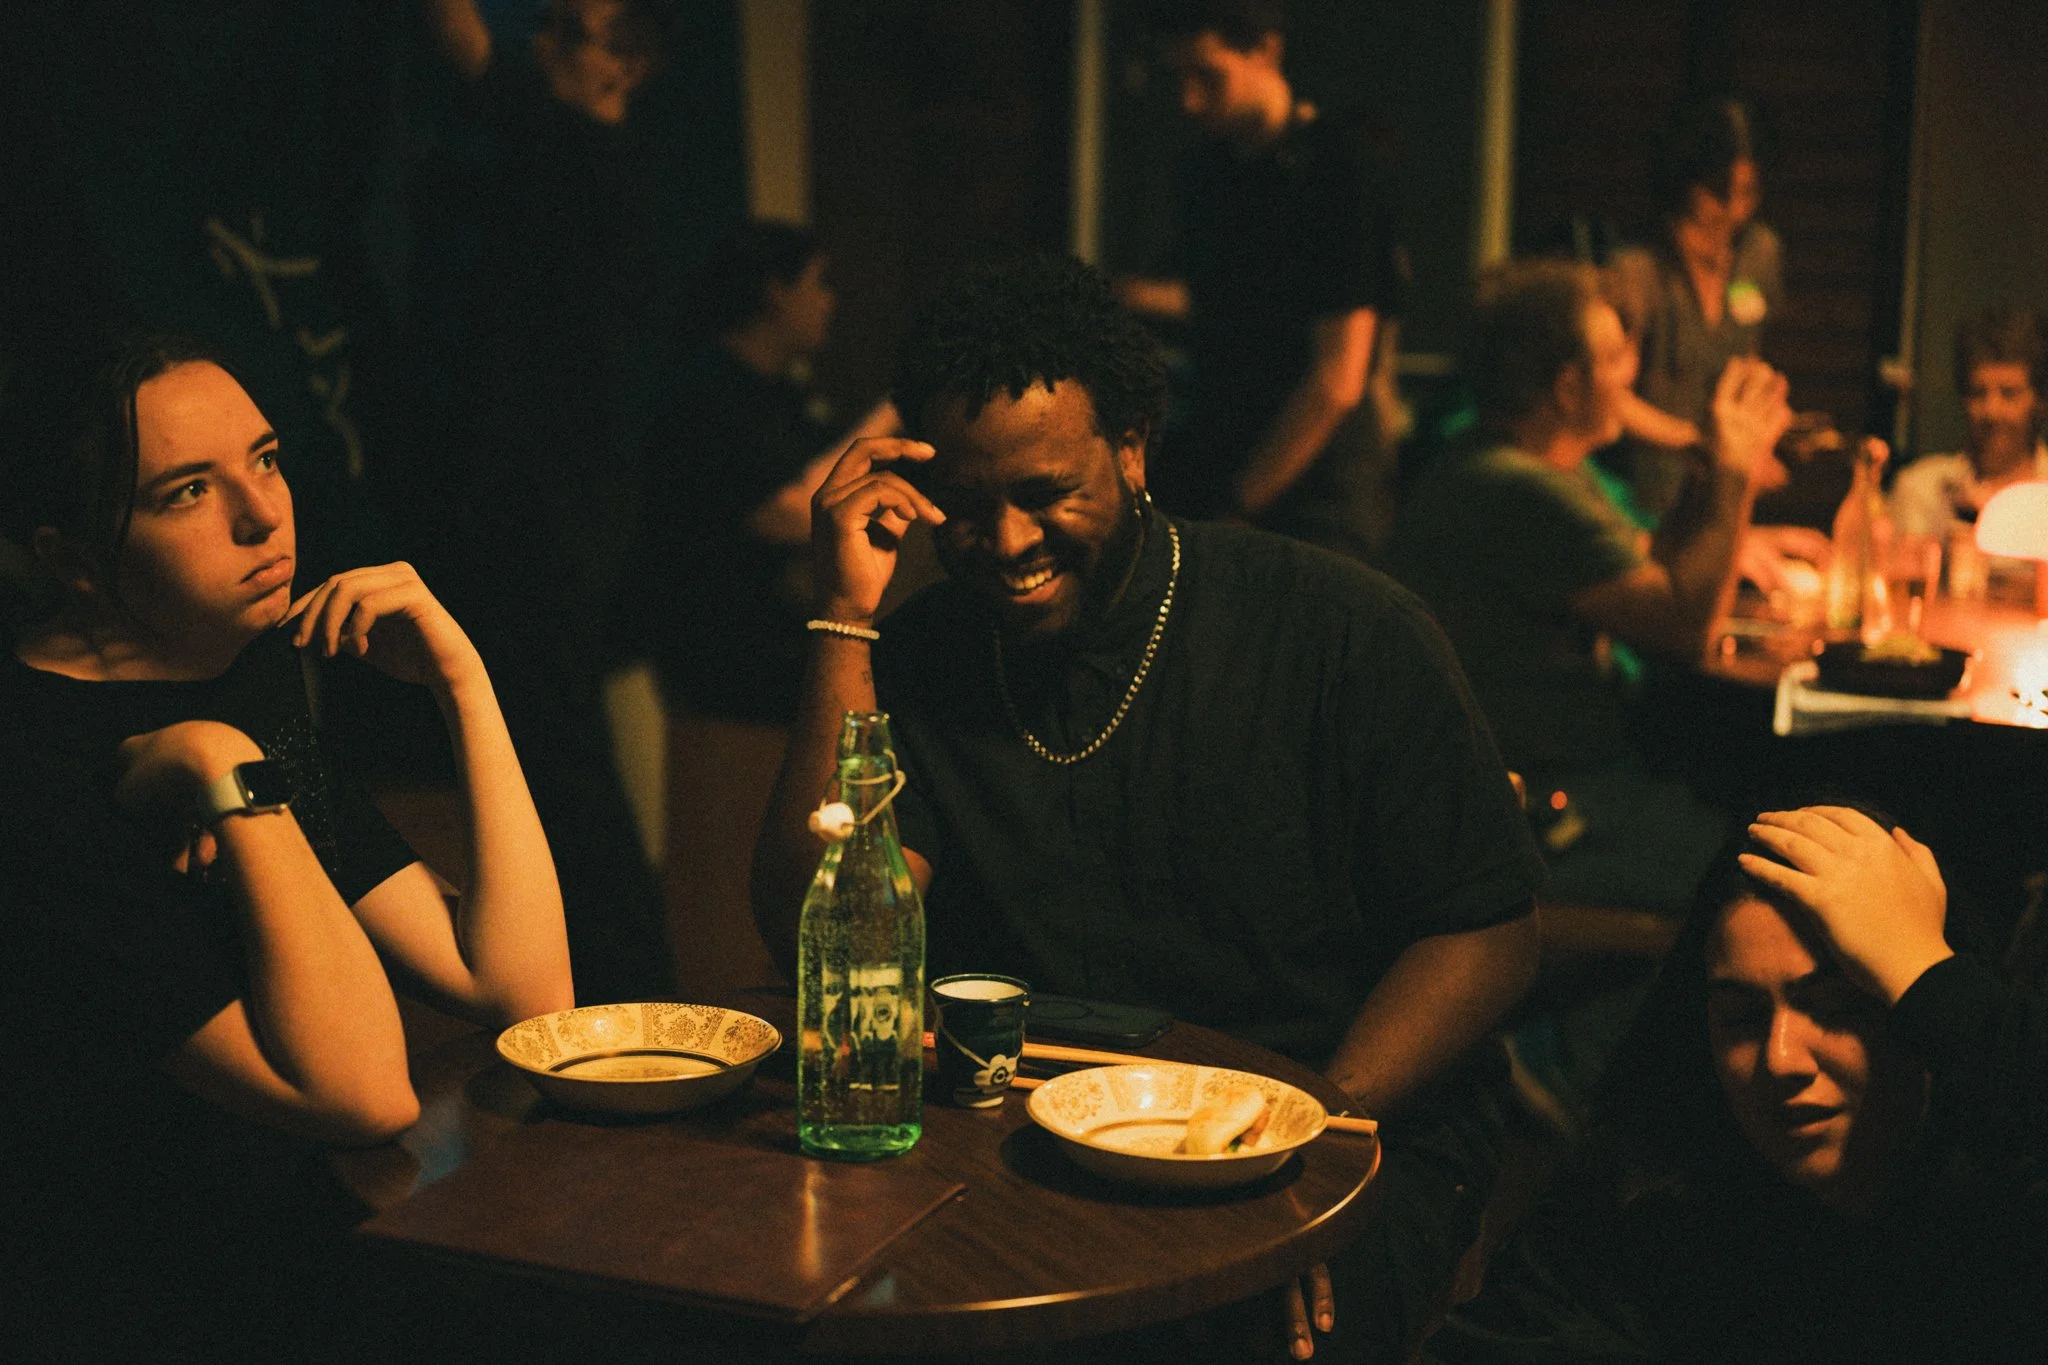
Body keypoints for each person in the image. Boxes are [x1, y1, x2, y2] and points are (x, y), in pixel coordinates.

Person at [752, 255, 1546, 1361]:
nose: (1008, 542)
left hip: (1340, 1116)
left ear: (1130, 448)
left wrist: (1302, 1141)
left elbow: (1487, 930)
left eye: (1044, 495)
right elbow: (814, 928)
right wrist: (844, 614)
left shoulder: (1334, 629)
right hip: (1033, 1129)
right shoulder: (927, 654)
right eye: (969, 509)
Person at [0, 335, 574, 1360]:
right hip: (129, 1309)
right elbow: (360, 1095)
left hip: (293, 1266)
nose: (263, 515)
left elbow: (523, 999)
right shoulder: (31, 775)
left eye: (265, 459)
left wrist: (462, 683)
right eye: (185, 492)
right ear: (73, 562)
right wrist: (228, 766)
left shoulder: (238, 672)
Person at [1419, 804, 2048, 1362]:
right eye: (1742, 1017)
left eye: (1835, 1009)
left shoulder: (2002, 1205)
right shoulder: (1659, 1198)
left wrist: (1925, 971)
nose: (1779, 1059)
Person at [1388, 259, 1792, 921]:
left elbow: (1655, 563)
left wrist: (1706, 474)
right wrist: (1734, 468)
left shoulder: (1515, 465)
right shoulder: (1517, 488)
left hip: (1563, 788)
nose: (1629, 373)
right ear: (1569, 386)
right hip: (1548, 813)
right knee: (1755, 877)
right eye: (1613, 357)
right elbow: (1684, 624)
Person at [414, 0, 679, 1002]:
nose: (542, 43)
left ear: (625, 67)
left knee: (559, 768)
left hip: (550, 524)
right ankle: (610, 999)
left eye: (571, 31)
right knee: (555, 762)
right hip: (558, 519)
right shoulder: (584, 169)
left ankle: (618, 1004)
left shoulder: (592, 167)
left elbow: (487, 69)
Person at [636, 220, 898, 994]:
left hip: (775, 649)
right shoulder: (708, 391)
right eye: (818, 281)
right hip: (725, 663)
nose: (830, 302)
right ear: (774, 290)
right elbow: (791, 512)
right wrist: (892, 416)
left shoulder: (785, 397)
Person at [1118, 0, 1407, 557]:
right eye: (1177, 77)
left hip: (1317, 485)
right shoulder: (1207, 174)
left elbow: (1337, 376)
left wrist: (1241, 506)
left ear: (1266, 50)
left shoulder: (1341, 166)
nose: (1188, 98)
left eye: (1207, 74)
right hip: (1218, 453)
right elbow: (1218, 299)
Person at [1607, 94, 1785, 519]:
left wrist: (1760, 424)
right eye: (1719, 191)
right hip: (1639, 497)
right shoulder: (1638, 269)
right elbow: (1608, 395)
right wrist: (1694, 439)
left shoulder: (1758, 252)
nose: (1734, 209)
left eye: (1748, 192)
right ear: (1685, 181)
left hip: (1722, 489)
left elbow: (1749, 357)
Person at [1891, 307, 2048, 599]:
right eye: (1979, 393)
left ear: (2039, 401)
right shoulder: (1920, 489)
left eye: (2009, 393)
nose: (1992, 411)